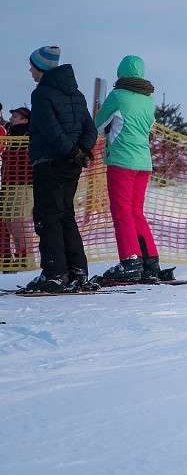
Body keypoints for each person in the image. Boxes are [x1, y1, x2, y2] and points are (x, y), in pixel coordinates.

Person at [25, 45, 97, 292]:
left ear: (41, 68)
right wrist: (80, 151)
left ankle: (54, 272)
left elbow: (49, 129)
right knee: (66, 214)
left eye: (32, 66)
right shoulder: (76, 94)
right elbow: (91, 128)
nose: (30, 71)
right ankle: (77, 270)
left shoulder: (42, 93)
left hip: (50, 163)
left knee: (48, 217)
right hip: (70, 165)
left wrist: (70, 150)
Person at [94, 55, 161, 282]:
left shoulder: (117, 96)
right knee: (135, 211)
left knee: (122, 211)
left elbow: (99, 125)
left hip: (122, 161)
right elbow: (148, 127)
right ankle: (150, 259)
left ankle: (131, 260)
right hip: (144, 162)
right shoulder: (149, 100)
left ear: (120, 73)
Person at [1, 107, 35, 271]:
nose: (12, 119)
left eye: (15, 116)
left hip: (24, 184)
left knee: (19, 221)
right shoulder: (13, 132)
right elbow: (6, 125)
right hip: (10, 183)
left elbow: (25, 157)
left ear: (25, 120)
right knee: (10, 221)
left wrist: (7, 155)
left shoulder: (27, 134)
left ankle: (27, 259)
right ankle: (19, 256)